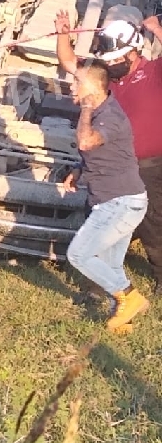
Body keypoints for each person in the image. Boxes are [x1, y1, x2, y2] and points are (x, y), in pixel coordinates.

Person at [56, 10, 162, 291]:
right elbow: (69, 62)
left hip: (150, 165)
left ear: (133, 52)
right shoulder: (105, 77)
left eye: (117, 60)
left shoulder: (154, 71)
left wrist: (156, 29)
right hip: (111, 167)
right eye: (108, 60)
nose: (112, 64)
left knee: (154, 226)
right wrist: (63, 34)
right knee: (101, 222)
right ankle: (98, 286)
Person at [62, 62, 149, 331]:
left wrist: (86, 107)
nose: (71, 86)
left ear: (93, 87)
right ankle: (123, 319)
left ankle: (130, 297)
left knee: (78, 255)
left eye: (77, 82)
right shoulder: (100, 112)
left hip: (121, 203)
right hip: (119, 201)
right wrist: (78, 171)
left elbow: (86, 142)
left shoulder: (109, 116)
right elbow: (96, 154)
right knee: (110, 264)